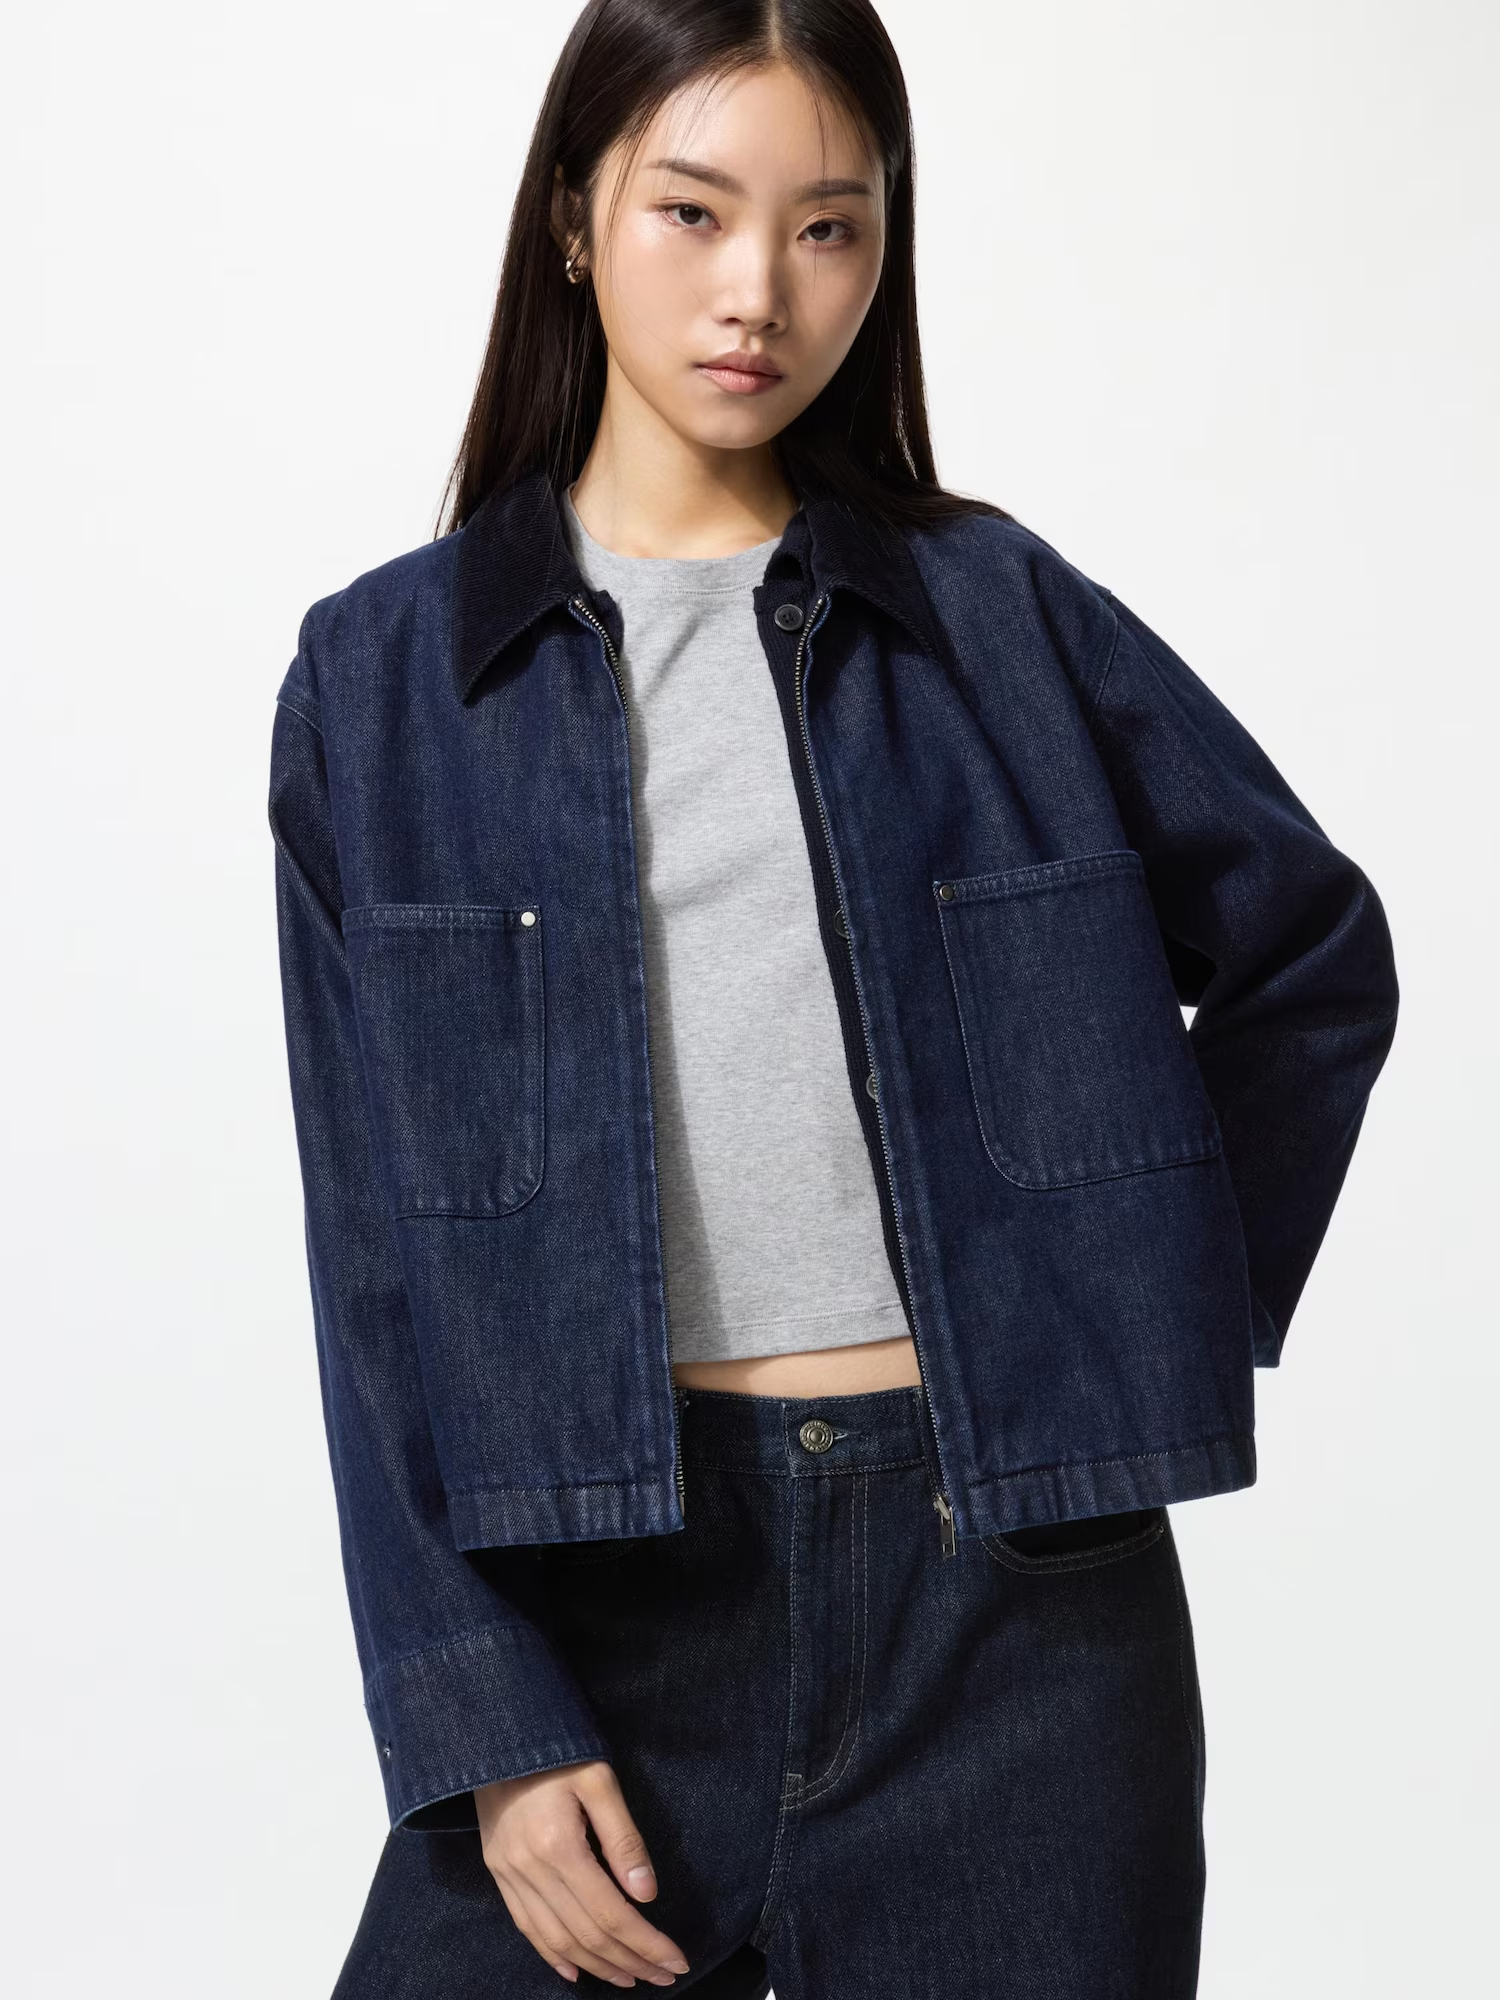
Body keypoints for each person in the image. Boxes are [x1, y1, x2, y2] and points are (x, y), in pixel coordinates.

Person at [267, 3, 1399, 1994]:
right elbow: (376, 1265)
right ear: (572, 218)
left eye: (829, 228)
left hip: (1015, 1614)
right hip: (600, 1612)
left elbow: (1308, 952)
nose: (758, 292)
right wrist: (482, 1717)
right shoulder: (383, 687)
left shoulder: (998, 618)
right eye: (693, 212)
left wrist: (1136, 1297)